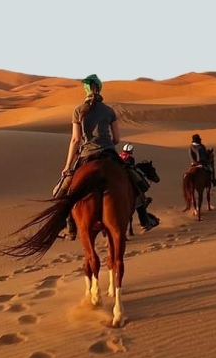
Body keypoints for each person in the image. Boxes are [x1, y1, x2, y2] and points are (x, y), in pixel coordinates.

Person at [56, 74, 158, 239]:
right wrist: (106, 142)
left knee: (63, 192)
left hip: (86, 155)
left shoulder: (78, 111)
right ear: (100, 88)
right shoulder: (109, 111)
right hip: (109, 152)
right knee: (136, 182)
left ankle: (69, 227)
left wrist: (67, 166)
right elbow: (117, 139)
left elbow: (75, 139)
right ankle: (144, 218)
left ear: (86, 90)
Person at [118, 143, 159, 232]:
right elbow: (130, 167)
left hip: (117, 173)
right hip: (126, 173)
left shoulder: (118, 155)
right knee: (138, 184)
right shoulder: (130, 158)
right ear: (130, 150)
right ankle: (144, 223)